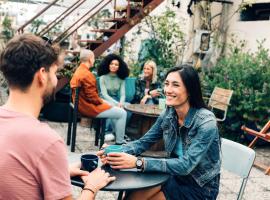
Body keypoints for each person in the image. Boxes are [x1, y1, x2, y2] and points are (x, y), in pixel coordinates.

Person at [0, 34, 115, 200]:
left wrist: (60, 171)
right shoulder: (46, 141)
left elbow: (13, 173)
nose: (55, 80)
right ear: (42, 75)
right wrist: (91, 187)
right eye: (55, 73)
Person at [98, 65, 221, 200]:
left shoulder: (206, 122)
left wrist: (138, 162)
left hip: (199, 187)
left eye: (175, 85)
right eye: (166, 84)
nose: (168, 90)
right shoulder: (169, 113)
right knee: (132, 196)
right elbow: (143, 143)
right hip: (172, 175)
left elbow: (186, 165)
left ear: (190, 90)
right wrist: (116, 151)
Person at [70, 49, 127, 145]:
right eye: (93, 58)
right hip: (88, 107)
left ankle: (115, 135)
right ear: (90, 59)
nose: (94, 60)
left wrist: (106, 103)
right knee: (123, 113)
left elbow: (92, 97)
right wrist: (104, 103)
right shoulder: (87, 75)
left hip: (81, 104)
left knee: (115, 107)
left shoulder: (80, 70)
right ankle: (119, 143)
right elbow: (93, 99)